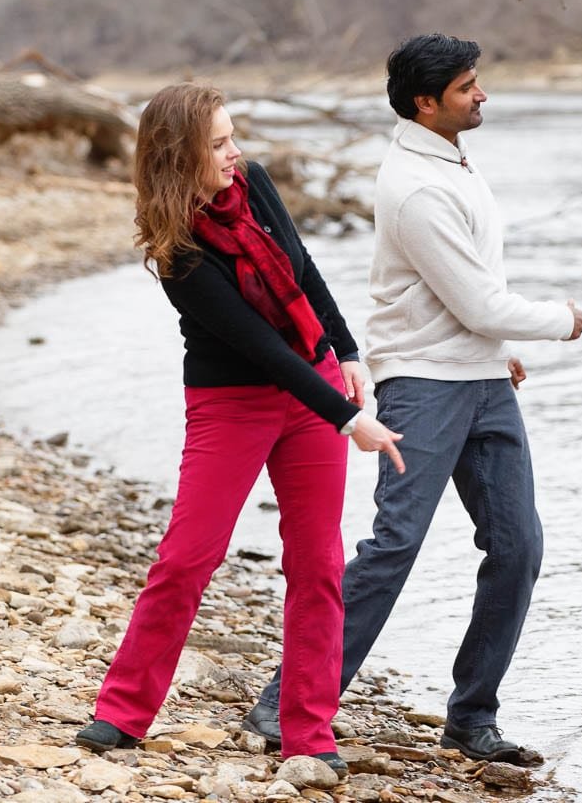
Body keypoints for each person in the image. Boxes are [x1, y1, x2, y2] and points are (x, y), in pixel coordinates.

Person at [241, 34, 582, 766]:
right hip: (424, 388)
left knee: (519, 546)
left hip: (482, 382)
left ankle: (472, 718)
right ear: (426, 103)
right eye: (467, 87)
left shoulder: (451, 161)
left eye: (477, 82)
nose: (481, 95)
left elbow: (465, 294)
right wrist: (560, 320)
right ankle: (287, 703)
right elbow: (478, 301)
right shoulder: (418, 185)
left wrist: (499, 349)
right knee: (394, 545)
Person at [74, 82, 404, 771]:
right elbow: (258, 346)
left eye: (233, 136)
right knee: (187, 557)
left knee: (318, 565)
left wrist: (345, 351)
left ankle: (308, 732)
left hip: (311, 380)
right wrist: (347, 418)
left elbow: (303, 269)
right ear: (180, 156)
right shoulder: (177, 252)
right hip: (234, 402)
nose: (237, 151)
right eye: (220, 143)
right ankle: (123, 711)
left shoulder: (253, 182)